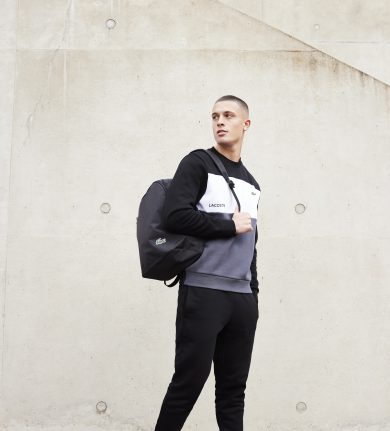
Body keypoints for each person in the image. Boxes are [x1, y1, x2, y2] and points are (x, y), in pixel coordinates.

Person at [154, 95, 260, 431]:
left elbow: (251, 245)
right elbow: (174, 215)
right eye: (215, 116)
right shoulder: (197, 163)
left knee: (233, 391)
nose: (220, 122)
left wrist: (253, 292)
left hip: (242, 299)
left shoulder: (252, 183)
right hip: (203, 292)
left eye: (228, 115)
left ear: (245, 124)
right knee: (187, 384)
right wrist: (226, 224)